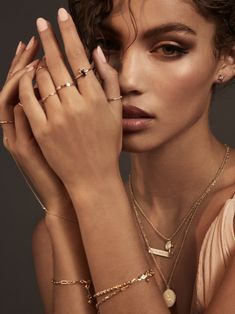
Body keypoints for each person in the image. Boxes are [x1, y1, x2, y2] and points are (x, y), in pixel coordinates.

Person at [0, 0, 235, 313]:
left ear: (228, 58)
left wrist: (95, 184)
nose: (127, 80)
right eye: (107, 45)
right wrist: (62, 208)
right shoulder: (58, 231)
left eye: (168, 49)